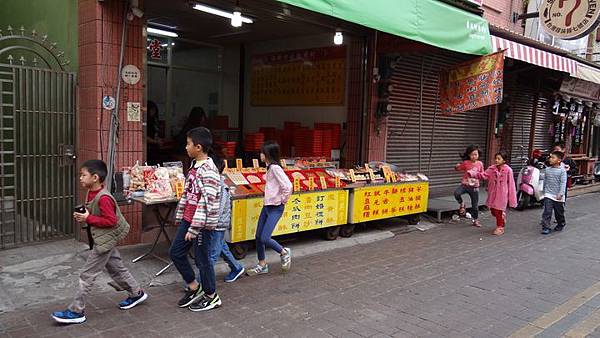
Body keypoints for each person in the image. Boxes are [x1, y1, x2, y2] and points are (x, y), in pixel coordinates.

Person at [52, 160, 147, 324]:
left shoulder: (104, 198)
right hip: (102, 239)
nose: (80, 178)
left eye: (83, 175)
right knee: (117, 268)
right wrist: (85, 216)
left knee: (87, 275)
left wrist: (89, 218)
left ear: (95, 177)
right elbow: (96, 215)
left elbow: (111, 221)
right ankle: (136, 293)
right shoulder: (91, 192)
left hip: (104, 241)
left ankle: (76, 311)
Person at [170, 127, 223, 312]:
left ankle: (211, 296)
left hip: (200, 225)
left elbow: (206, 203)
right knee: (176, 252)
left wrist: (194, 228)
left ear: (198, 147)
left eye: (188, 144)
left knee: (203, 261)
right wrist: (181, 216)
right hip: (189, 220)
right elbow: (188, 195)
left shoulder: (208, 171)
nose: (186, 147)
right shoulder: (194, 166)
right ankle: (194, 287)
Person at [246, 141, 293, 276]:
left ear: (267, 154)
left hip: (275, 207)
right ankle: (262, 265)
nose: (260, 154)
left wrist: (281, 200)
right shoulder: (269, 167)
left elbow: (288, 186)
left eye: (262, 152)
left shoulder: (274, 168)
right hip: (267, 206)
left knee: (265, 238)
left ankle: (284, 252)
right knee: (258, 236)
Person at [469, 150, 517, 235]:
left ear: (504, 160)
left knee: (498, 211)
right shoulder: (492, 169)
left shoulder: (508, 170)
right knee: (493, 211)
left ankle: (500, 227)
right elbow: (483, 175)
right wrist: (473, 174)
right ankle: (502, 217)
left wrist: (512, 199)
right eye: (496, 158)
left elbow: (511, 185)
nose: (496, 160)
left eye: (499, 159)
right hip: (492, 194)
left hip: (502, 195)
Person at [453, 145, 485, 227]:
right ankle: (462, 203)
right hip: (465, 185)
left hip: (474, 187)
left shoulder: (480, 164)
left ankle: (475, 220)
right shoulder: (466, 163)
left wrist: (478, 176)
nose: (474, 156)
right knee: (457, 193)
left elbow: (483, 174)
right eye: (472, 154)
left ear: (478, 155)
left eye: (475, 154)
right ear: (469, 155)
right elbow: (458, 168)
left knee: (475, 205)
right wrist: (456, 167)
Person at [541, 151, 567, 235]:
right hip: (548, 194)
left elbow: (563, 183)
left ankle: (561, 223)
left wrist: (561, 193)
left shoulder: (562, 171)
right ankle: (546, 227)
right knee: (547, 211)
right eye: (550, 157)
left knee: (559, 212)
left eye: (553, 158)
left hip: (558, 195)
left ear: (559, 160)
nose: (550, 159)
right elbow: (545, 181)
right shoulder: (547, 170)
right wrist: (544, 191)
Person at [147, 101, 164, 165]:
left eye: (154, 110)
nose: (153, 112)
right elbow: (145, 136)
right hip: (149, 148)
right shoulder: (146, 121)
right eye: (152, 110)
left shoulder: (153, 120)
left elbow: (155, 133)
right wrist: (155, 141)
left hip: (154, 147)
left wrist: (158, 139)